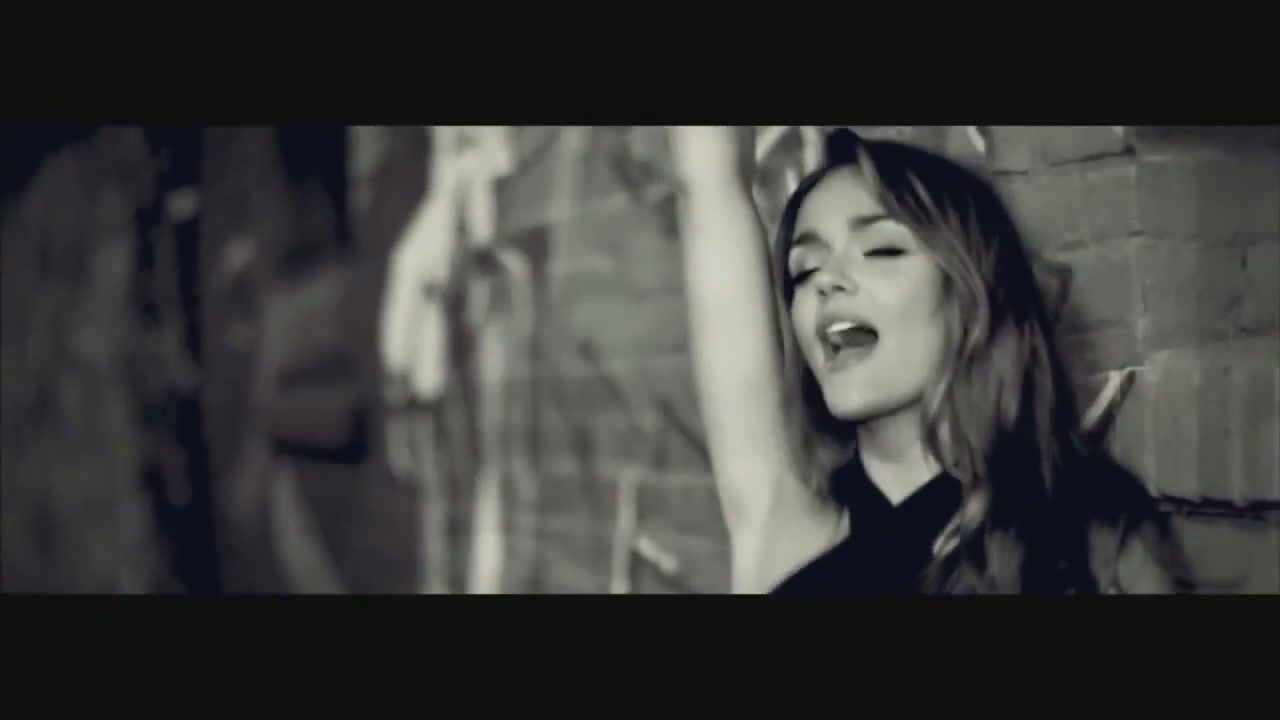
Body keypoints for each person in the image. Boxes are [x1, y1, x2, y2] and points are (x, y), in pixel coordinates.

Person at [667, 126, 1189, 594]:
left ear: (970, 298)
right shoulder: (788, 526)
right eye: (805, 270)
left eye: (882, 250)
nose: (827, 280)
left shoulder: (1091, 531)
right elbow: (706, 179)